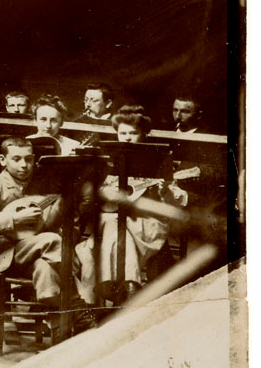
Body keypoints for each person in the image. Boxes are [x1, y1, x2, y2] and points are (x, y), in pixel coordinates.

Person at [74, 108, 187, 307]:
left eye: (133, 133)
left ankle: (97, 305)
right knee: (113, 225)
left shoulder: (158, 159)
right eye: (123, 133)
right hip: (114, 225)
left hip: (146, 226)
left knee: (110, 228)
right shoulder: (106, 161)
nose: (127, 138)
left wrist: (165, 191)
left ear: (144, 134)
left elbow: (175, 203)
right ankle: (128, 290)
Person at [0, 138, 64, 313]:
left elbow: (45, 225)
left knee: (45, 268)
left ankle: (58, 321)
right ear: (2, 160)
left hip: (34, 248)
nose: (24, 165)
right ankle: (79, 305)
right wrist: (14, 218)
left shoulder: (41, 184)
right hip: (1, 252)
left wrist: (61, 204)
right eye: (17, 159)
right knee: (53, 240)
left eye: (29, 159)